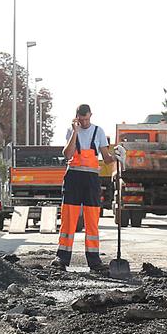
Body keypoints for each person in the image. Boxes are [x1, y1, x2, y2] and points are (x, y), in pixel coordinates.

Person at [57, 103, 109, 271]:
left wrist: (118, 157)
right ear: (76, 117)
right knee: (68, 219)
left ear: (91, 116)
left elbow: (106, 157)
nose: (84, 122)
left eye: (86, 119)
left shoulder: (98, 131)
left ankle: (94, 261)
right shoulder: (72, 131)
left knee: (92, 220)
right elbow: (68, 154)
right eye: (81, 119)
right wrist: (75, 132)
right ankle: (62, 258)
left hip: (92, 180)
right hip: (73, 178)